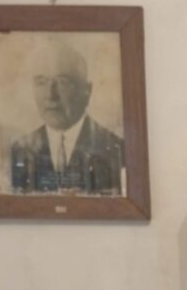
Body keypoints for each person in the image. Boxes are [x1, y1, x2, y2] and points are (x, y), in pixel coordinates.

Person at [11, 40, 124, 194]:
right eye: (41, 82)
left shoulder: (113, 148)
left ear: (87, 91)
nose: (50, 95)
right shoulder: (21, 150)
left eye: (62, 82)